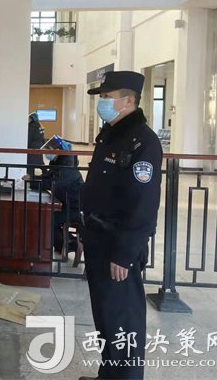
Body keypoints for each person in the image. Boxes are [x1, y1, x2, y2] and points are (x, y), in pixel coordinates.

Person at [80, 71, 162, 380]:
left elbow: (143, 203)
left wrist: (125, 254)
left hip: (118, 245)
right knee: (106, 318)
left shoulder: (143, 142)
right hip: (98, 237)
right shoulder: (112, 134)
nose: (102, 103)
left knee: (123, 321)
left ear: (128, 101)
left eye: (107, 97)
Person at [26, 135, 84, 252]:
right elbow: (48, 177)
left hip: (74, 209)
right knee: (46, 216)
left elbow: (53, 183)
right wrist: (32, 179)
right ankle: (62, 245)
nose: (47, 155)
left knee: (48, 219)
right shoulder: (58, 162)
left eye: (49, 151)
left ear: (58, 151)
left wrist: (32, 181)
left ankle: (71, 244)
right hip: (65, 205)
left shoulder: (67, 166)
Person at [27, 112, 46, 187]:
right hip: (39, 147)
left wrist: (26, 146)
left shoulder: (31, 126)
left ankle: (30, 181)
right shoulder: (40, 126)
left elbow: (29, 138)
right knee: (40, 164)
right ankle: (46, 175)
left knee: (30, 165)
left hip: (32, 149)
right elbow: (43, 138)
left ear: (32, 119)